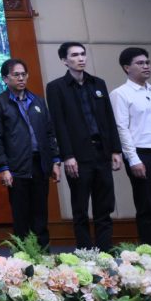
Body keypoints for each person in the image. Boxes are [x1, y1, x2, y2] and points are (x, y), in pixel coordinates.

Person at [45, 42, 123, 250]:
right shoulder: (56, 87)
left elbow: (109, 117)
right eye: (74, 55)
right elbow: (59, 124)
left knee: (104, 206)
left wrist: (116, 150)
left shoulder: (98, 83)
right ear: (64, 60)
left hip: (102, 152)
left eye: (82, 54)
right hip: (77, 156)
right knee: (80, 208)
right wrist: (67, 155)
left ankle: (105, 251)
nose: (80, 58)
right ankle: (86, 253)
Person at [0, 59, 61, 248]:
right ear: (5, 79)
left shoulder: (38, 101)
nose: (21, 78)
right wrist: (3, 167)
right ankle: (23, 256)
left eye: (23, 74)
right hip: (16, 166)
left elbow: (49, 132)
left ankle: (43, 254)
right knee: (21, 216)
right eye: (16, 75)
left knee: (40, 213)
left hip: (40, 164)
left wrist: (55, 161)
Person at [110, 47, 151, 248]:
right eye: (140, 63)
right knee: (148, 210)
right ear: (126, 67)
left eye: (148, 62)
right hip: (143, 157)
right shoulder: (120, 94)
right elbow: (121, 128)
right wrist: (133, 159)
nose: (146, 66)